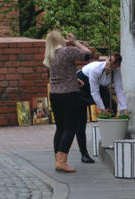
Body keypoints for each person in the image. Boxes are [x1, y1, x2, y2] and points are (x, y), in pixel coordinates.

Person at [43, 29, 92, 173]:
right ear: (60, 39)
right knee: (71, 128)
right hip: (69, 95)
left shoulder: (50, 56)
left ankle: (58, 159)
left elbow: (58, 75)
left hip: (55, 94)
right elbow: (88, 54)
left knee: (60, 128)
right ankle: (62, 161)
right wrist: (75, 42)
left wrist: (74, 79)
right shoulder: (68, 51)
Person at [74, 52, 128, 163]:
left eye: (113, 64)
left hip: (98, 87)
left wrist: (124, 107)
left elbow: (119, 89)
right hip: (81, 86)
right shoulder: (96, 69)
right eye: (109, 60)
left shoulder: (116, 73)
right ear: (107, 59)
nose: (110, 64)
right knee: (80, 120)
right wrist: (102, 108)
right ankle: (84, 154)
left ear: (117, 66)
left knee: (112, 106)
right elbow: (94, 92)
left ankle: (110, 139)